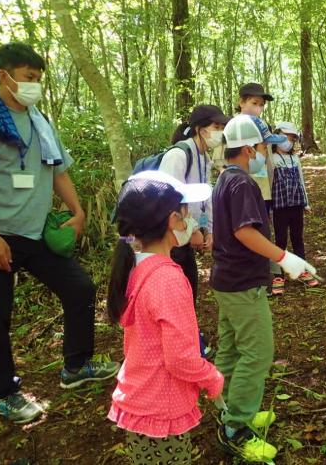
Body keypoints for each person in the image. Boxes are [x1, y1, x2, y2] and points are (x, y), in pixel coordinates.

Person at [0, 43, 119, 424]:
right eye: (28, 78)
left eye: (38, 79)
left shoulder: (39, 121)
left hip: (34, 233)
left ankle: (76, 365)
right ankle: (5, 393)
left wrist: (78, 209)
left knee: (79, 288)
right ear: (4, 76)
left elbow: (58, 171)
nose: (34, 85)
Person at [211, 114, 316, 462]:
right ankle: (236, 427)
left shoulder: (225, 179)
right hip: (242, 284)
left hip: (226, 280)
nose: (265, 153)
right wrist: (285, 258)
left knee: (230, 349)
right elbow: (244, 231)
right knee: (257, 353)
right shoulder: (243, 184)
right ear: (248, 148)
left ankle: (228, 408)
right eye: (261, 147)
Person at [107, 170, 224, 464]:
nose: (188, 223)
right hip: (161, 407)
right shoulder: (167, 279)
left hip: (141, 400)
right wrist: (212, 377)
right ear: (172, 221)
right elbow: (180, 358)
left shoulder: (137, 267)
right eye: (185, 216)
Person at [161, 104, 230, 358]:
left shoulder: (204, 157)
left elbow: (205, 197)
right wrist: (190, 231)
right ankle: (184, 348)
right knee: (178, 294)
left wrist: (209, 229)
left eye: (222, 128)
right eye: (215, 127)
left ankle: (188, 343)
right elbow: (167, 199)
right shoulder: (178, 155)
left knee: (187, 291)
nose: (219, 133)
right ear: (200, 130)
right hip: (168, 240)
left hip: (186, 234)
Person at [270, 121, 316, 295]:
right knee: (280, 240)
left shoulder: (295, 159)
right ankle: (278, 275)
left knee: (298, 238)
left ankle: (302, 270)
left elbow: (301, 182)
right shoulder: (272, 159)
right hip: (280, 206)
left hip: (296, 205)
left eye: (292, 138)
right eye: (286, 137)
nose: (289, 141)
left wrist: (306, 202)